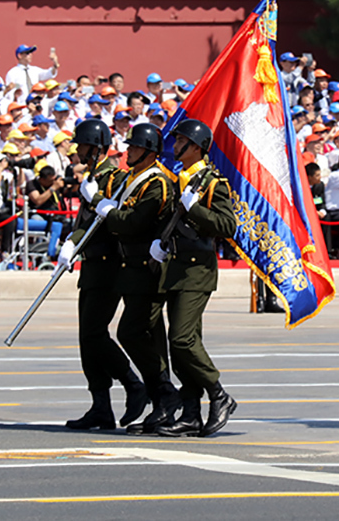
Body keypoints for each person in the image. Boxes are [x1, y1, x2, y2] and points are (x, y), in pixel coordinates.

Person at [58, 121, 164, 432]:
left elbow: (111, 219)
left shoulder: (114, 179)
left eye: (81, 145)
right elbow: (87, 222)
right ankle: (100, 405)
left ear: (94, 147)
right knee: (86, 339)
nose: (76, 150)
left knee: (93, 333)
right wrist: (72, 241)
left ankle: (133, 384)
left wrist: (91, 207)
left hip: (108, 264)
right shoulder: (92, 177)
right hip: (91, 265)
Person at [149, 119, 238, 437]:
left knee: (182, 339)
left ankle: (219, 393)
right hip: (174, 267)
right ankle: (190, 412)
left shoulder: (213, 183)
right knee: (182, 345)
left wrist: (196, 209)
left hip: (197, 270)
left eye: (181, 141)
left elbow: (228, 226)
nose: (175, 145)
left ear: (196, 147)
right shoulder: (177, 179)